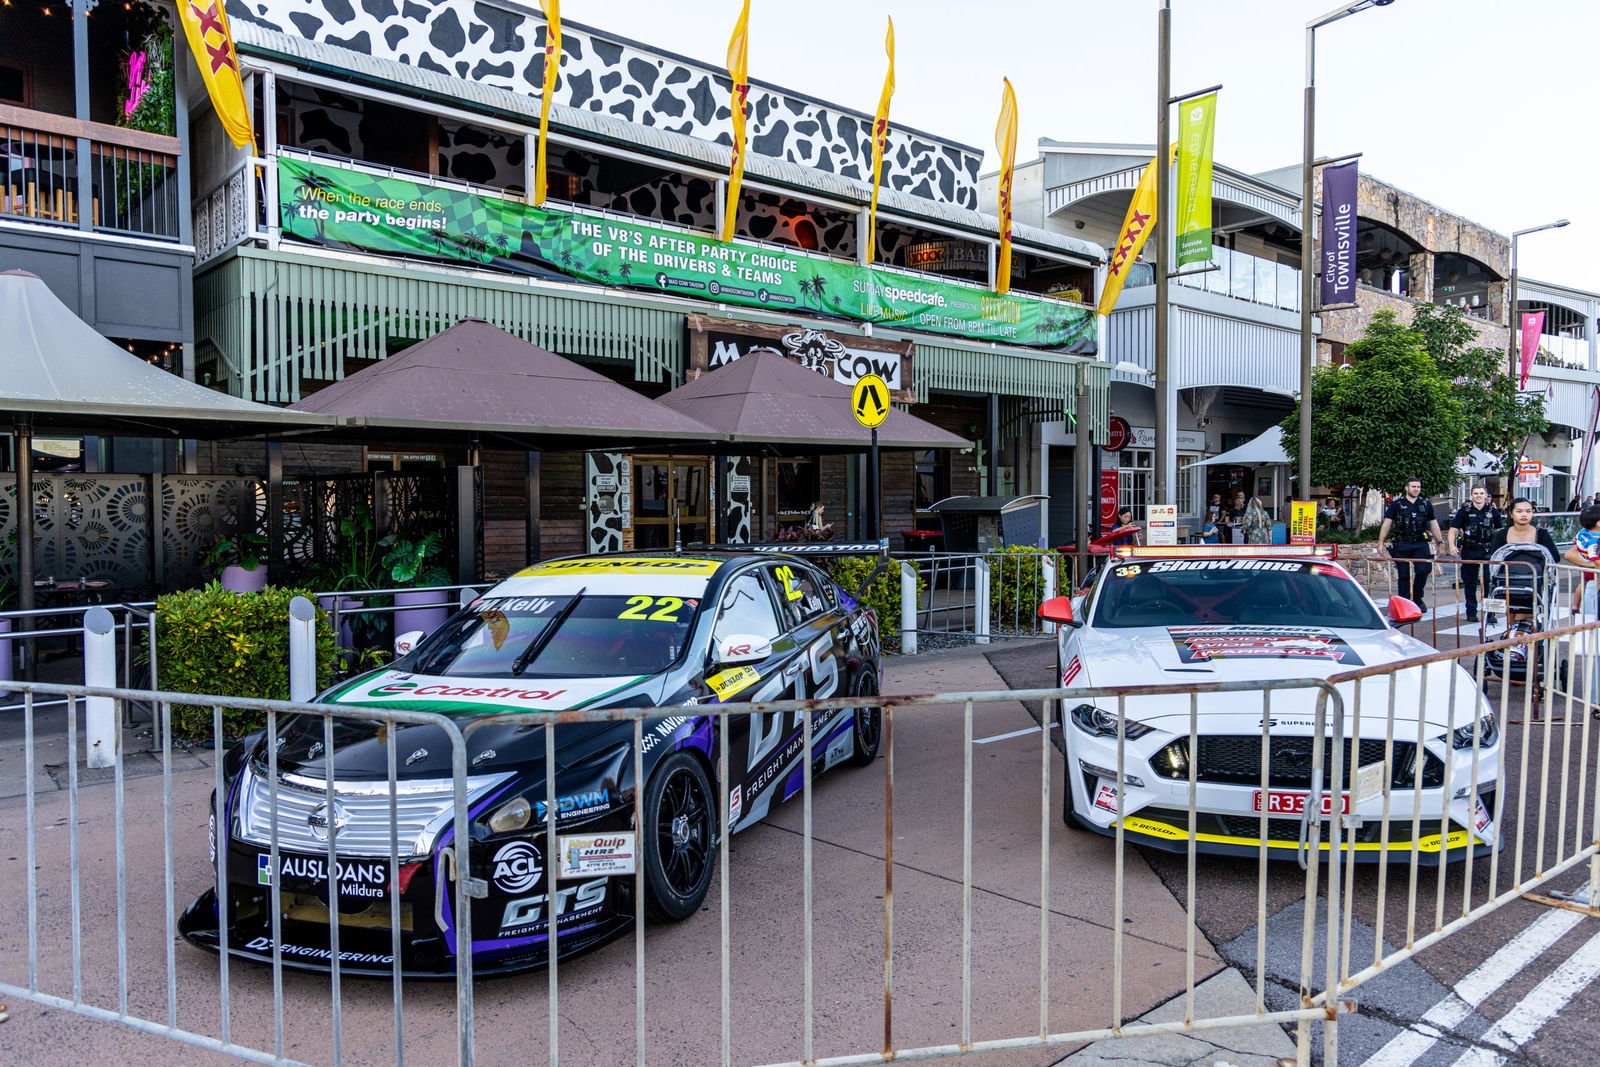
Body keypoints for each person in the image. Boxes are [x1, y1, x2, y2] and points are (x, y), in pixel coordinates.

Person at [1377, 477, 1449, 611]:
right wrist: (1381, 542)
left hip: (1420, 542)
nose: (1416, 489)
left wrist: (1441, 542)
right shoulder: (1397, 504)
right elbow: (1387, 523)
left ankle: (1417, 597)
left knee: (1424, 570)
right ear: (1406, 488)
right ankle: (1404, 603)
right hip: (1401, 542)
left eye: (1418, 487)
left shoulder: (1426, 504)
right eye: (1413, 486)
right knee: (1403, 575)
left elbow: (1433, 523)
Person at [1487, 497, 1560, 626]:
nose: (1524, 515)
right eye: (1519, 511)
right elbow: (1494, 557)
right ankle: (1513, 640)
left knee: (1525, 619)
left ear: (1533, 513)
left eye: (1528, 511)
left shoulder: (1541, 534)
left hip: (1534, 584)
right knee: (1511, 620)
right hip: (1507, 583)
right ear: (1511, 513)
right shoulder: (1502, 534)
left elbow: (1554, 556)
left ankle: (1527, 641)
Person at [1447, 485, 1503, 623]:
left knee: (1490, 583)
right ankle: (1471, 612)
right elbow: (1453, 529)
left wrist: (1501, 549)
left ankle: (1490, 613)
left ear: (1486, 496)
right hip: (1470, 550)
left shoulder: (1493, 512)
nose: (1478, 495)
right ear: (1471, 495)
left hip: (1488, 551)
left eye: (1481, 493)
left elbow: (1500, 530)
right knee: (1470, 583)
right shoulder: (1464, 511)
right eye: (1475, 493)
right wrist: (1451, 545)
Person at [1563, 504, 1600, 614]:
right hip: (1594, 567)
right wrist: (1595, 565)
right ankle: (1589, 617)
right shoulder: (1595, 540)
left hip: (1587, 566)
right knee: (1592, 591)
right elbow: (1593, 555)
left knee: (1585, 586)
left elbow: (1575, 540)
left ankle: (1576, 606)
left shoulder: (1584, 532)